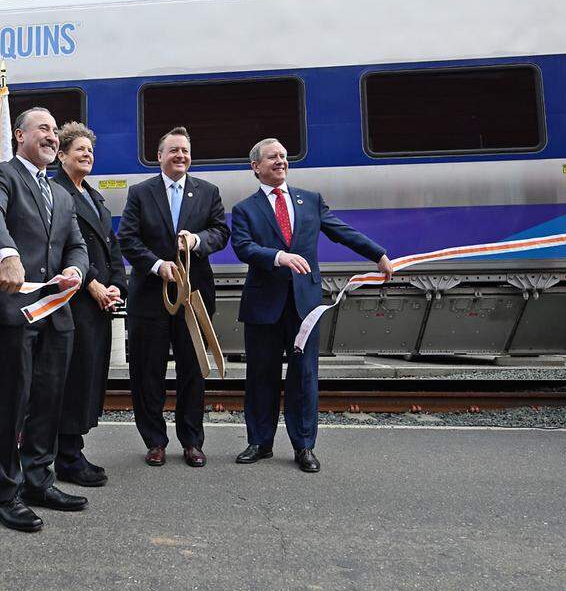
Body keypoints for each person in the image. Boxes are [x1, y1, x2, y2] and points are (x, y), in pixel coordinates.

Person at [230, 138, 393, 473]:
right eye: (272, 157)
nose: (280, 161)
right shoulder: (244, 209)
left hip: (305, 306)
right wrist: (279, 257)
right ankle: (260, 443)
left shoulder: (310, 201)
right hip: (264, 306)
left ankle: (304, 447)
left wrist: (378, 254)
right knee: (261, 376)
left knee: (304, 377)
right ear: (255, 167)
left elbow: (341, 231)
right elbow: (244, 248)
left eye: (283, 156)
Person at [0, 107, 89, 532]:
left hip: (57, 313)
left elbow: (76, 243)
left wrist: (77, 270)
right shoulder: (0, 174)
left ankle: (39, 480)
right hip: (14, 312)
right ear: (19, 135)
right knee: (10, 405)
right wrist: (8, 255)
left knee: (47, 404)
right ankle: (5, 494)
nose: (53, 137)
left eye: (56, 131)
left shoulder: (60, 192)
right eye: (43, 129)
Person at [117, 126, 229, 468]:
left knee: (193, 371)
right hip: (150, 298)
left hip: (194, 298)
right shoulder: (140, 192)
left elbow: (221, 232)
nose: (181, 155)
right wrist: (156, 265)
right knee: (147, 372)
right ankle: (154, 441)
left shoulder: (208, 191)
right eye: (174, 150)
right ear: (159, 156)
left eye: (185, 150)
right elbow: (128, 238)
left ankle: (192, 441)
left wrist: (196, 241)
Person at [50, 122, 126, 487]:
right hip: (73, 299)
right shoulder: (56, 191)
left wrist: (116, 286)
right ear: (61, 155)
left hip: (98, 301)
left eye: (90, 150)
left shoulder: (94, 197)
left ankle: (73, 448)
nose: (86, 154)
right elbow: (64, 246)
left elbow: (112, 247)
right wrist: (92, 282)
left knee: (91, 375)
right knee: (74, 377)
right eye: (78, 149)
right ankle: (66, 456)